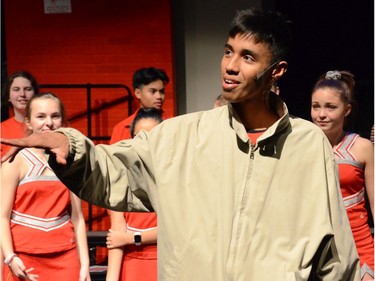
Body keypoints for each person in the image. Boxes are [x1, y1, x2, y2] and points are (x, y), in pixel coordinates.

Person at [1, 8, 361, 280]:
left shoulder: (307, 145)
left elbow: (335, 252)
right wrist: (69, 145)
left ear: (276, 71)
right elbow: (113, 170)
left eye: (247, 57)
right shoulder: (182, 136)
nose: (230, 66)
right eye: (228, 51)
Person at [0, 92, 91, 281]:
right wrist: (10, 257)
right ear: (28, 122)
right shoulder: (14, 160)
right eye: (41, 116)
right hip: (23, 258)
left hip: (66, 257)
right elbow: (2, 216)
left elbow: (78, 218)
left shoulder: (72, 161)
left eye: (55, 116)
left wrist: (85, 266)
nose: (48, 123)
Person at [311, 70, 374, 280]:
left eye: (330, 107)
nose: (321, 114)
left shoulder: (362, 147)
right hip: (316, 249)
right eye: (316, 106)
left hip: (359, 246)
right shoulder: (301, 146)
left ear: (346, 110)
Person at [106, 108, 163, 281]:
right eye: (138, 137)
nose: (145, 142)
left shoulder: (175, 177)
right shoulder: (119, 177)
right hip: (131, 265)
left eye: (152, 136)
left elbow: (175, 230)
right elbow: (116, 235)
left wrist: (131, 238)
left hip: (165, 261)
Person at [110, 67, 169, 143]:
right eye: (153, 91)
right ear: (138, 93)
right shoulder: (121, 128)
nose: (159, 96)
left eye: (162, 91)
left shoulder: (172, 124)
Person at [1, 71, 39, 156]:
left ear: (35, 94)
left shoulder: (46, 125)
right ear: (8, 97)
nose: (22, 94)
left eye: (27, 89)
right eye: (16, 89)